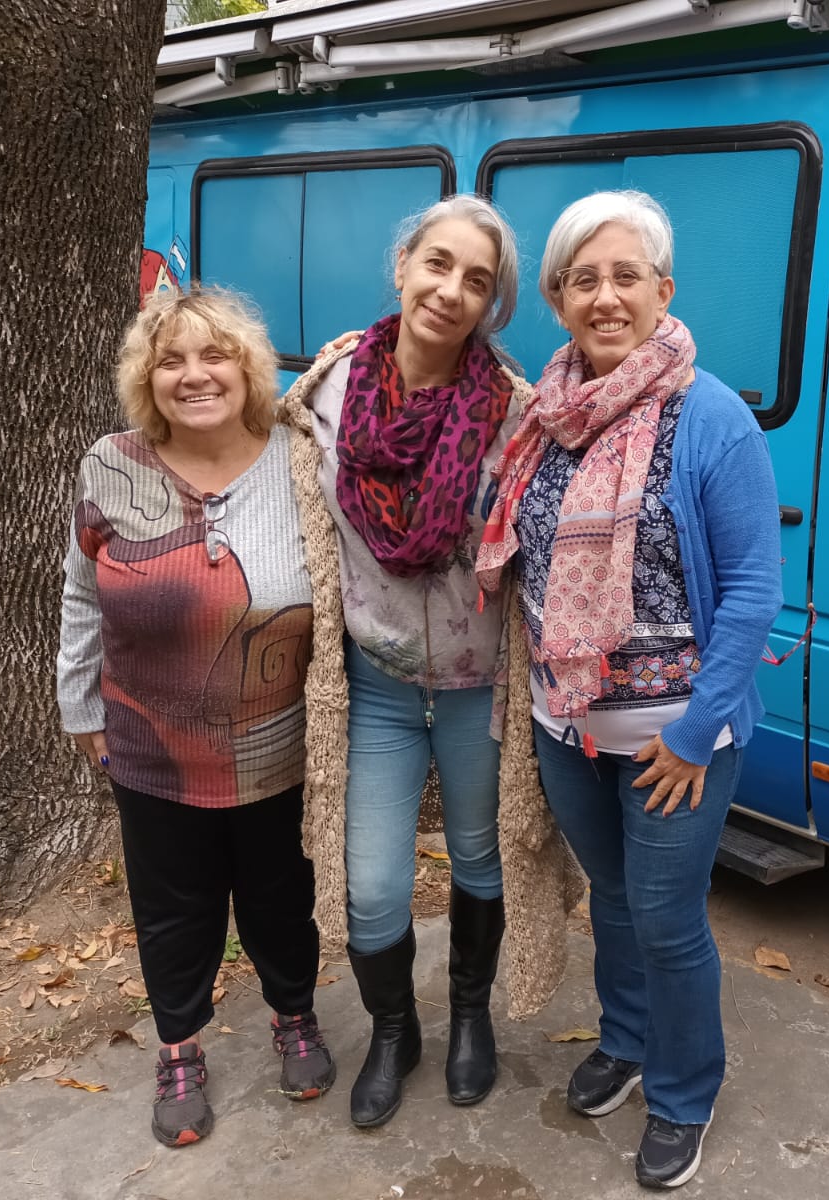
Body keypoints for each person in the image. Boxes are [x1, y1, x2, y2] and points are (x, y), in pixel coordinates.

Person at [475, 190, 781, 1189]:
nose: (605, 297)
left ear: (663, 291)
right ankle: (627, 1038)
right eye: (583, 280)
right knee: (611, 897)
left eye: (626, 277)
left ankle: (684, 1092)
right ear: (557, 299)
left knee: (665, 916)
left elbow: (753, 592)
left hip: (676, 737)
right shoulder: (544, 417)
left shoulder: (712, 418)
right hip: (566, 727)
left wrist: (695, 734)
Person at [280, 194, 578, 1131]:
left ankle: (471, 1017)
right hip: (374, 685)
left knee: (485, 854)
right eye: (438, 264)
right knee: (371, 883)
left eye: (476, 281)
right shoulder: (325, 394)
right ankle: (394, 1030)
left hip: (479, 687)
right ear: (403, 264)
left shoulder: (517, 414)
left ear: (492, 306)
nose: (451, 291)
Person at [56, 288, 334, 1149]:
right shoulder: (111, 464)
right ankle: (179, 1046)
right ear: (147, 379)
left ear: (247, 369)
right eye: (170, 360)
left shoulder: (298, 459)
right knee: (173, 905)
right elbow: (80, 594)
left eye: (215, 355)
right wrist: (79, 704)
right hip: (151, 745)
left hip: (277, 742)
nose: (194, 375)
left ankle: (294, 1012)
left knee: (281, 893)